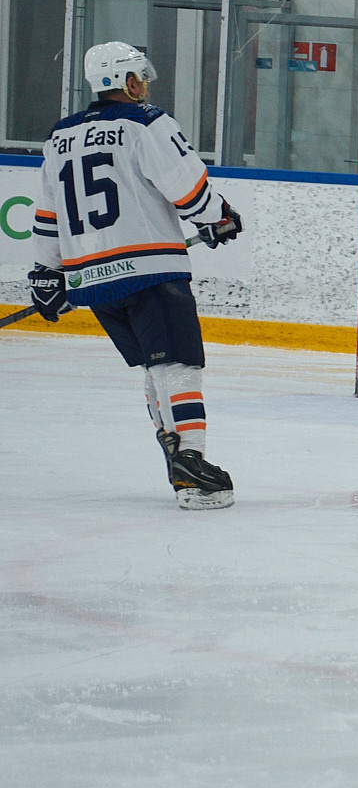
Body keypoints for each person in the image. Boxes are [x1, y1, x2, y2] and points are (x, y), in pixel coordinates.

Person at [25, 41, 245, 509]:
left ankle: (175, 453)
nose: (143, 86)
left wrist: (47, 273)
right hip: (149, 272)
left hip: (94, 281)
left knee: (156, 367)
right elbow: (187, 187)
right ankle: (191, 463)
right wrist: (216, 215)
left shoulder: (59, 138)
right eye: (138, 77)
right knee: (178, 365)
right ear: (125, 81)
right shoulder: (147, 123)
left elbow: (48, 215)